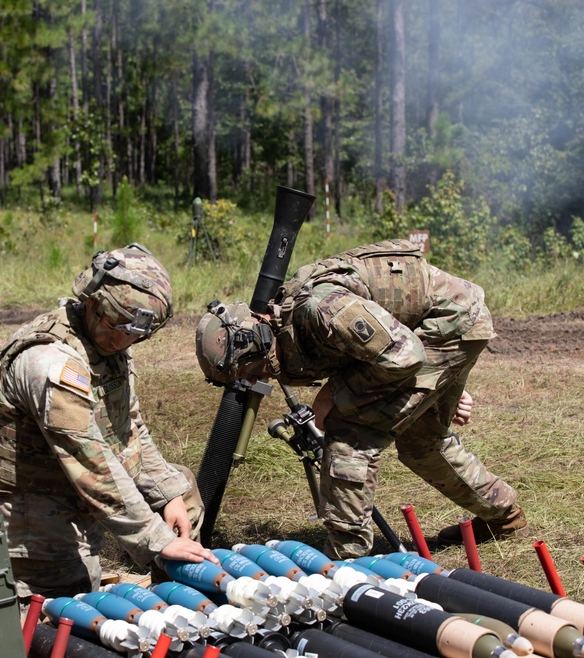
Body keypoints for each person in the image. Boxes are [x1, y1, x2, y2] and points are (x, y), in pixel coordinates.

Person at [195, 239, 527, 559]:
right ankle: (504, 517)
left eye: (247, 373)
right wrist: (438, 385)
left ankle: (346, 552)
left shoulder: (321, 310)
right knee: (421, 441)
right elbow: (373, 347)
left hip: (447, 323)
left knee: (350, 428)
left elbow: (405, 355)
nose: (252, 381)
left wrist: (331, 394)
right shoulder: (284, 329)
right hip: (429, 329)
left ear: (253, 342)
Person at [0, 244, 218, 600]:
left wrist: (167, 495)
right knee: (64, 609)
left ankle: (177, 608)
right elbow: (92, 461)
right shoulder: (50, 363)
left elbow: (128, 427)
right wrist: (156, 540)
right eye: (116, 327)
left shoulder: (109, 343)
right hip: (31, 514)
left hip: (74, 488)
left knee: (182, 487)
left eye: (136, 333)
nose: (124, 339)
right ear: (91, 303)